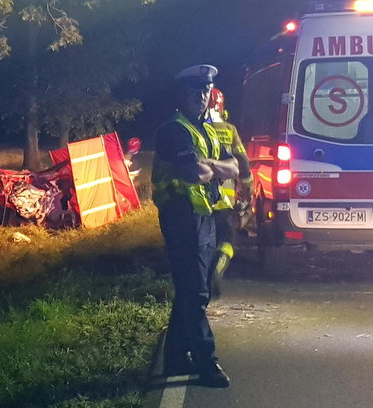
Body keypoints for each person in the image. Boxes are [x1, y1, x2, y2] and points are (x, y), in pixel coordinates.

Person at [151, 64, 239, 387]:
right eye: (195, 92)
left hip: (205, 217)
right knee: (196, 292)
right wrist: (216, 168)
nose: (202, 97)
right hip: (180, 218)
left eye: (206, 91)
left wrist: (212, 166)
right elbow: (193, 174)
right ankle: (207, 362)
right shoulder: (173, 131)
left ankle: (175, 358)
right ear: (181, 96)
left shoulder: (209, 131)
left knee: (191, 290)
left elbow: (233, 167)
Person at [207, 88, 253, 298]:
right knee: (226, 241)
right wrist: (248, 186)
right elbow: (242, 161)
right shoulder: (229, 129)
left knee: (201, 241)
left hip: (197, 200)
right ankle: (216, 271)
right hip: (224, 201)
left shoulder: (195, 129)